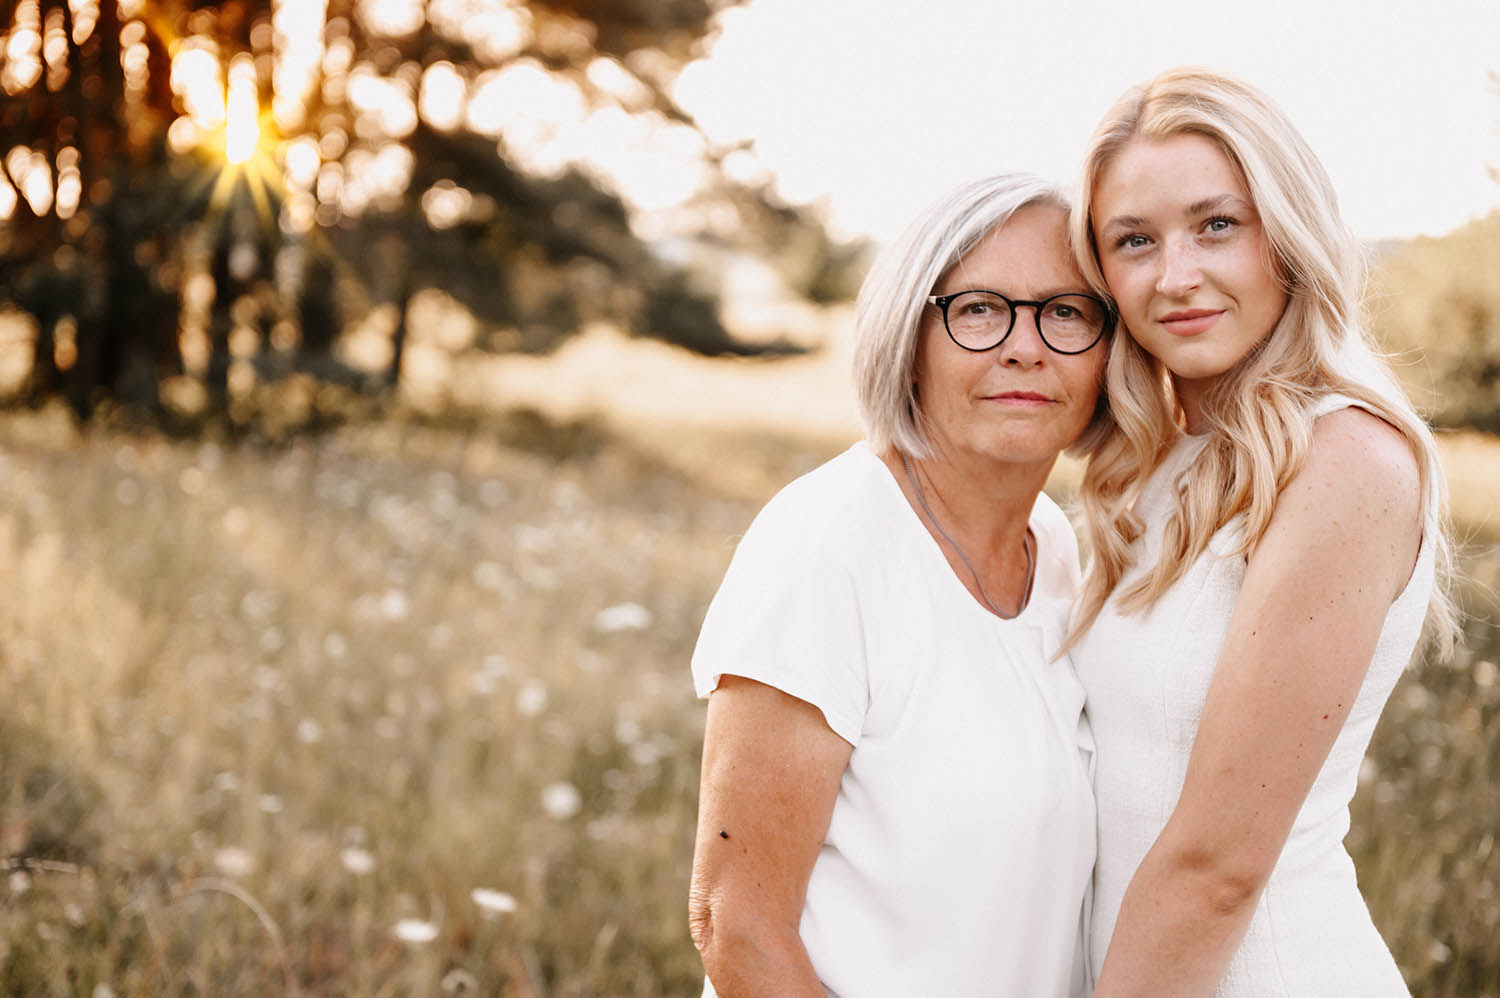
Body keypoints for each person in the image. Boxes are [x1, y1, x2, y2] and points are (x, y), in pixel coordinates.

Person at [1066, 67, 1458, 997]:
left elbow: (1216, 868)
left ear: (1286, 234)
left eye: (1217, 224)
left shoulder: (1345, 462)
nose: (1176, 277)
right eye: (1134, 240)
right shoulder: (1161, 463)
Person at [687, 173, 1111, 997]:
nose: (1025, 346)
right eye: (981, 308)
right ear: (909, 336)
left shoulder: (1055, 549)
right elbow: (736, 926)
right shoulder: (827, 545)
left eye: (1066, 311)